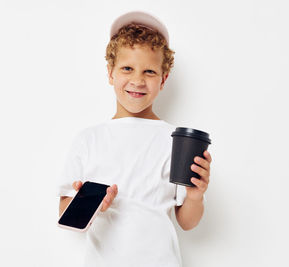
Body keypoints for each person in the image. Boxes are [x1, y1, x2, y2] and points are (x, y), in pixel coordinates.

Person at [57, 10, 212, 267]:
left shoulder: (175, 141)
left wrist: (196, 196)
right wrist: (90, 205)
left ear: (163, 80)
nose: (137, 80)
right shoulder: (89, 139)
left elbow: (187, 222)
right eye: (127, 68)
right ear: (111, 73)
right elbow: (65, 213)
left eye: (149, 71)